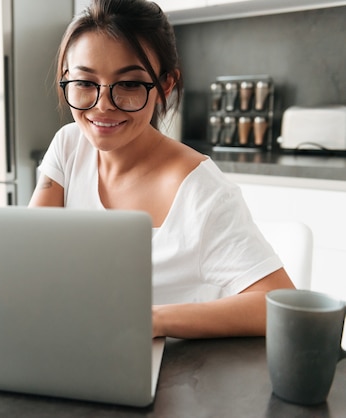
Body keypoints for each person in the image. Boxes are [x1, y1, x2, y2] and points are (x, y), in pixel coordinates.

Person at [28, 0, 295, 339]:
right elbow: (31, 258)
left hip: (174, 373)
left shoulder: (202, 192)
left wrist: (154, 320)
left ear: (165, 86)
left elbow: (278, 303)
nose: (103, 105)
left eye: (129, 84)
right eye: (85, 83)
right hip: (78, 343)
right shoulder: (68, 146)